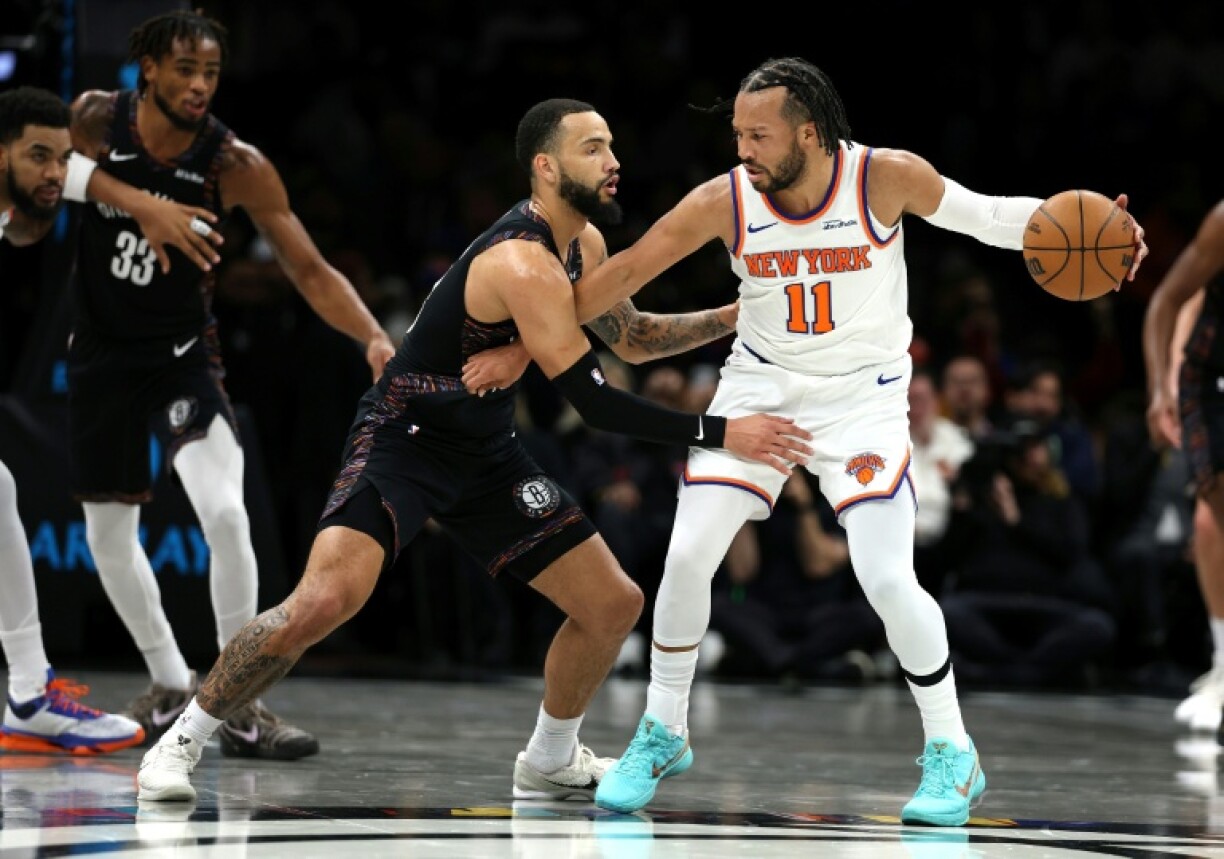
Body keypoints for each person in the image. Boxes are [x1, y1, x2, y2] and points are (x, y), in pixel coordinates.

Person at [134, 96, 812, 802]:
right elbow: (596, 402)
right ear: (545, 167)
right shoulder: (520, 260)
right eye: (593, 148)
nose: (614, 162)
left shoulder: (585, 247)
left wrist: (733, 317)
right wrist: (721, 431)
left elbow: (634, 337)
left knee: (612, 602)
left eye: (613, 145)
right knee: (322, 602)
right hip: (406, 439)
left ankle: (550, 755)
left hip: (486, 452)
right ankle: (180, 739)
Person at [569, 56, 1148, 826]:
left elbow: (992, 216)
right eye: (737, 133)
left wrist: (1104, 232)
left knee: (885, 577)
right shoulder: (726, 199)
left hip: (864, 402)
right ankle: (663, 729)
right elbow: (626, 274)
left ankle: (953, 751)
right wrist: (529, 329)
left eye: (758, 134)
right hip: (759, 386)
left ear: (809, 131)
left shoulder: (883, 178)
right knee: (686, 554)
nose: (742, 148)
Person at [60, 9, 396, 760]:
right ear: (146, 68)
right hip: (100, 359)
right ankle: (170, 682)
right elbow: (36, 163)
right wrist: (145, 204)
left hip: (181, 357)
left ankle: (236, 699)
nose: (199, 85)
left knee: (225, 513)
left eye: (210, 71)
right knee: (107, 536)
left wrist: (372, 334)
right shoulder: (92, 120)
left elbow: (308, 268)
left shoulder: (234, 163)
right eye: (184, 69)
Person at [0, 85, 221, 752]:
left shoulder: (30, 185)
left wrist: (146, 205)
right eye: (38, 156)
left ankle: (29, 690)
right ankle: (29, 689)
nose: (52, 173)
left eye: (58, 158)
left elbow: (83, 181)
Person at [1143, 199, 1224, 732]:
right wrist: (1160, 389)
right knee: (1213, 513)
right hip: (1211, 376)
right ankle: (1222, 666)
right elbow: (1168, 301)